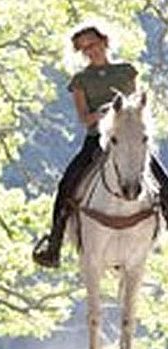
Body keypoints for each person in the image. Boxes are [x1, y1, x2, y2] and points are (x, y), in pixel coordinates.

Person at [33, 21, 168, 268]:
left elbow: (136, 108)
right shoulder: (80, 80)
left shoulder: (127, 71)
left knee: (164, 181)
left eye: (92, 44)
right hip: (97, 139)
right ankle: (54, 243)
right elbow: (85, 118)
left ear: (104, 42)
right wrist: (107, 113)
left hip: (128, 139)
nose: (90, 51)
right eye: (84, 49)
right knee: (67, 184)